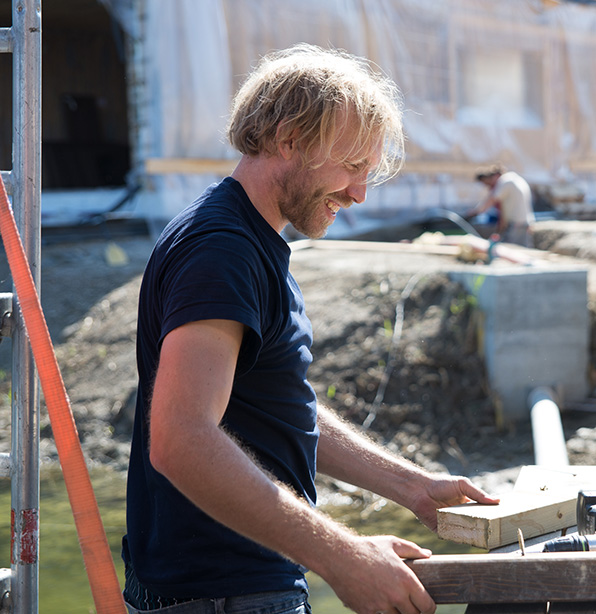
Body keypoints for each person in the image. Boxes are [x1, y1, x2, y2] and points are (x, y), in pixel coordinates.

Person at [121, 43, 499, 614]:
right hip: (219, 595)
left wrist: (412, 487)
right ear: (289, 139)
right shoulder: (222, 252)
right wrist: (343, 556)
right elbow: (181, 440)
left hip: (232, 587)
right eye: (351, 166)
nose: (359, 193)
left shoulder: (250, 240)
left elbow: (273, 407)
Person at [470, 166, 535, 247]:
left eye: (487, 182)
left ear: (493, 176)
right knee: (522, 248)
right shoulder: (514, 178)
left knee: (516, 250)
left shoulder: (504, 182)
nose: (488, 186)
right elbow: (503, 209)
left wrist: (474, 212)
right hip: (524, 221)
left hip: (516, 224)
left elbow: (491, 200)